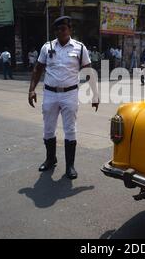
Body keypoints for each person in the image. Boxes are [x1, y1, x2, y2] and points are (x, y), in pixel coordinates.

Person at [28, 16, 100, 179]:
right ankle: (50, 159)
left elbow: (88, 71)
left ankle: (70, 166)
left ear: (70, 30)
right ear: (55, 31)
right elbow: (38, 69)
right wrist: (31, 90)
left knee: (70, 129)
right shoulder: (47, 47)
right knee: (48, 129)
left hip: (70, 94)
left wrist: (95, 94)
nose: (61, 32)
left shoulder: (80, 48)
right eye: (58, 29)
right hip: (50, 94)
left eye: (64, 28)